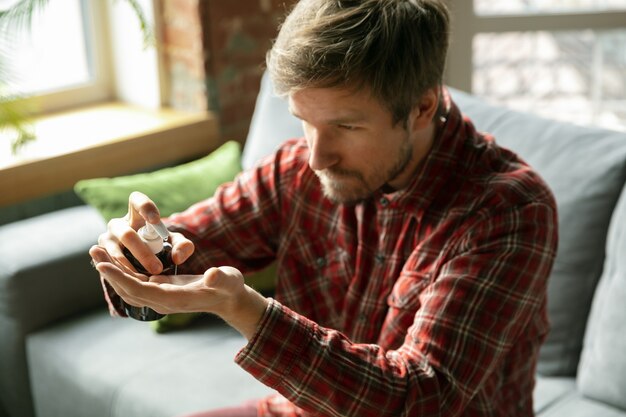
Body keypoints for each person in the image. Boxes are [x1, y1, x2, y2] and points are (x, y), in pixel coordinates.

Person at [89, 0, 558, 416]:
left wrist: (249, 311)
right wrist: (139, 257)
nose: (317, 156)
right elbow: (186, 253)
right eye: (304, 122)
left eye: (346, 127)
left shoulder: (509, 210)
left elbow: (420, 399)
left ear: (421, 106)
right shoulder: (295, 171)